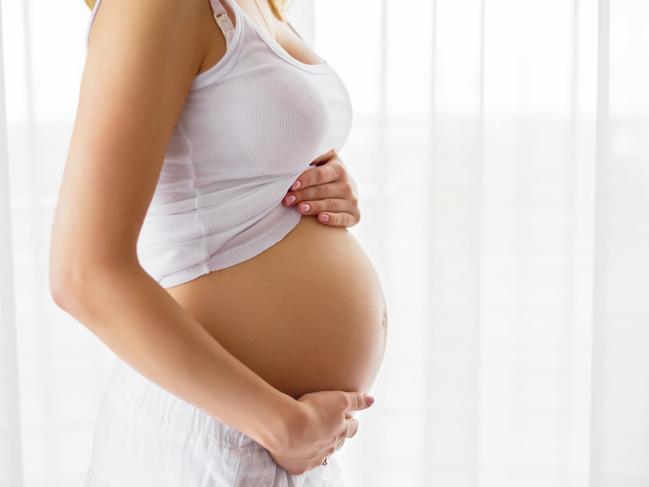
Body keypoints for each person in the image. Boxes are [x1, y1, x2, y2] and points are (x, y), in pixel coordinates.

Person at [49, 0, 388, 484]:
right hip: (218, 432)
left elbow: (232, 160)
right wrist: (283, 425)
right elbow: (82, 274)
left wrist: (329, 184)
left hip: (271, 434)